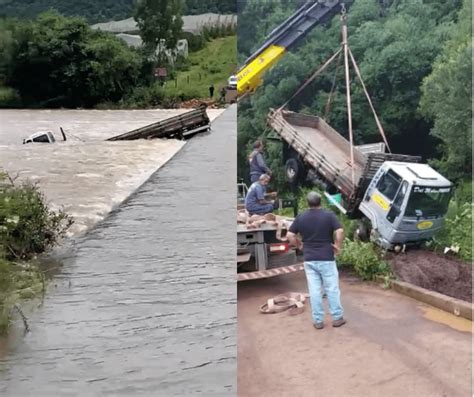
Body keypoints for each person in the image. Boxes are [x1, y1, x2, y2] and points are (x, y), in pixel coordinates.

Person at [286, 191, 346, 329]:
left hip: (310, 258)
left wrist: (300, 245)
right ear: (321, 202)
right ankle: (337, 318)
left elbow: (290, 235)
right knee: (331, 289)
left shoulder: (301, 217)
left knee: (314, 290)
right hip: (326, 257)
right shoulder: (329, 215)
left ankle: (318, 321)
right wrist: (337, 246)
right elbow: (340, 231)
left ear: (308, 203)